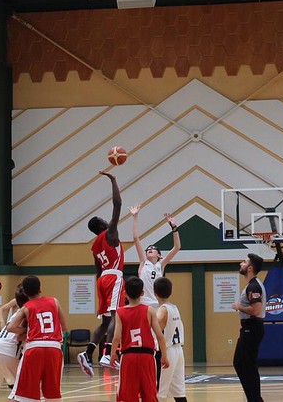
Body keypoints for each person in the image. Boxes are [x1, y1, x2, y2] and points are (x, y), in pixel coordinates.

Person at [78, 171, 123, 376]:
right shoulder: (110, 233)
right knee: (117, 316)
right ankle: (107, 353)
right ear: (103, 225)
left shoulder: (95, 246)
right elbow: (117, 205)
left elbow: (97, 271)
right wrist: (113, 181)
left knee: (105, 321)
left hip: (102, 279)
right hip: (114, 276)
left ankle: (88, 353)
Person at [7, 276, 67, 402]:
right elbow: (65, 327)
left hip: (34, 348)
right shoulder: (54, 301)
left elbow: (11, 327)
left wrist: (27, 330)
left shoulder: (26, 307)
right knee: (53, 395)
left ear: (25, 292)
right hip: (54, 349)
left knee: (22, 394)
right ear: (40, 288)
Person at [113, 276, 168, 402]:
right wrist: (164, 355)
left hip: (128, 357)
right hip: (147, 357)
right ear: (143, 293)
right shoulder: (149, 310)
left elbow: (116, 337)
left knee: (127, 395)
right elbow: (160, 336)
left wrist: (112, 354)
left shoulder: (120, 312)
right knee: (150, 394)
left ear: (124, 293)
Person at [230, 253, 266, 402]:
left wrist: (239, 306)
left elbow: (256, 310)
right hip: (249, 327)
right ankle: (254, 398)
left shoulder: (254, 286)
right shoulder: (252, 285)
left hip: (252, 327)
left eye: (244, 262)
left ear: (250, 268)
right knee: (241, 363)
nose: (241, 263)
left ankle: (255, 399)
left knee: (245, 364)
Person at [131, 206, 182, 309]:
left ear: (159, 254)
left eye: (153, 248)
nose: (150, 249)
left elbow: (177, 247)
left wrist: (174, 228)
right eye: (148, 249)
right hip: (144, 304)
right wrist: (135, 216)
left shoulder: (161, 265)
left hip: (158, 303)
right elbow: (136, 238)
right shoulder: (143, 262)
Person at [154, 277, 186, 402]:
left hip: (167, 352)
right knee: (179, 392)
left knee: (160, 393)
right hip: (178, 351)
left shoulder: (163, 310)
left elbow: (156, 324)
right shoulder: (174, 307)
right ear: (170, 292)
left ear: (155, 293)